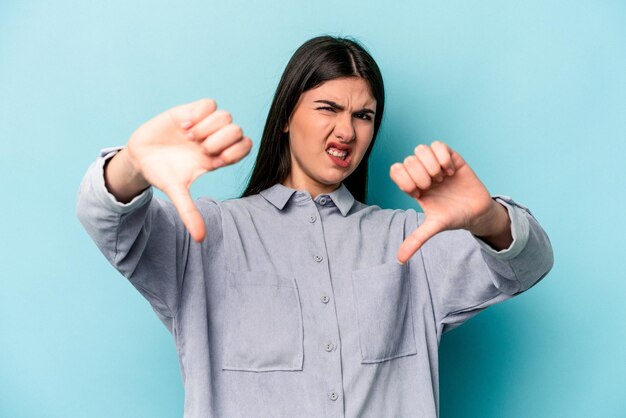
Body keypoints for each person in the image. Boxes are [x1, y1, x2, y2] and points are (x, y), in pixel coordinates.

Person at [77, 36, 553, 417]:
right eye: (328, 108)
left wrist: (487, 217)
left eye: (363, 115)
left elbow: (528, 265)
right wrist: (133, 166)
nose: (346, 131)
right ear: (286, 116)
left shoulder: (411, 240)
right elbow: (107, 221)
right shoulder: (207, 235)